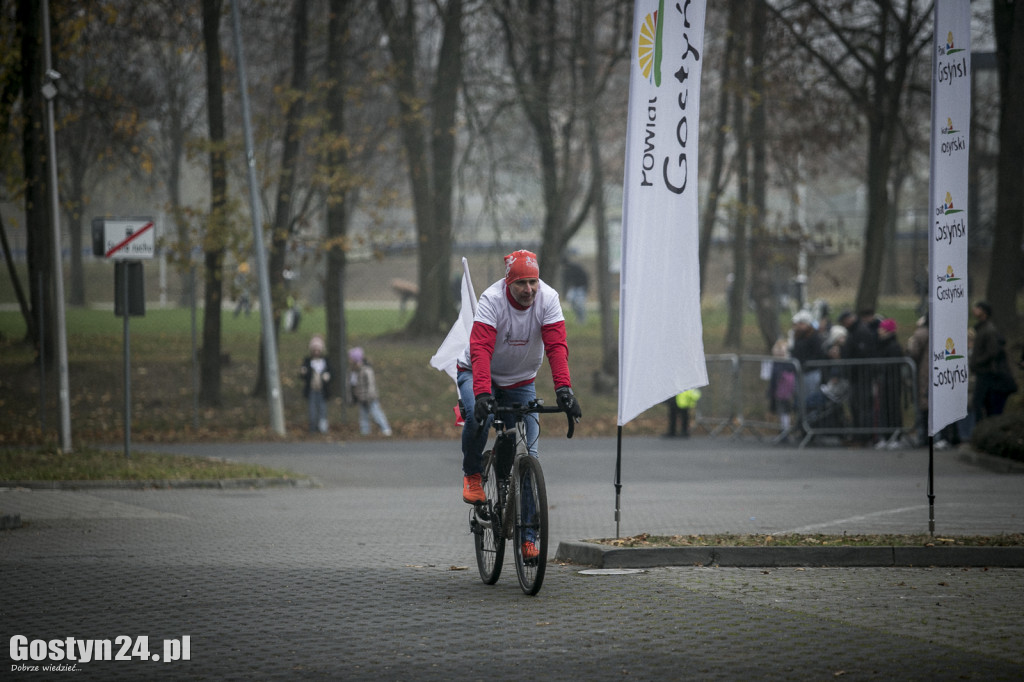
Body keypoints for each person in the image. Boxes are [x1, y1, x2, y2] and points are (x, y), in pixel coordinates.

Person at [456, 249, 582, 561]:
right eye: (521, 283)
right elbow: (481, 348)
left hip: (521, 380)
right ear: (508, 283)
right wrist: (484, 393)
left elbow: (556, 345)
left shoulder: (548, 299)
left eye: (533, 282)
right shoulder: (492, 300)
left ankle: (529, 539)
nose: (529, 289)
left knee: (531, 457)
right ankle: (473, 474)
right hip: (478, 373)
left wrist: (564, 389)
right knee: (478, 416)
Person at [969, 301, 1018, 421]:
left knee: (979, 402)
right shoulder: (981, 328)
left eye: (978, 308)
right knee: (984, 403)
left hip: (985, 372)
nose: (974, 310)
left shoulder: (988, 330)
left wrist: (978, 362)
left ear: (984, 312)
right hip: (983, 372)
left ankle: (982, 427)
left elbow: (992, 352)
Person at [348, 347, 392, 436]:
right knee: (363, 415)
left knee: (376, 413)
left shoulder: (366, 370)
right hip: (361, 398)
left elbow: (371, 384)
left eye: (351, 359)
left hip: (370, 398)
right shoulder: (353, 372)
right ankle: (365, 431)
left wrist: (370, 396)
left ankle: (386, 429)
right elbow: (351, 385)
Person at [300, 335, 332, 433]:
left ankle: (323, 429)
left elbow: (331, 372)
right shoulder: (308, 361)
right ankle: (313, 428)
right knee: (312, 410)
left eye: (318, 350)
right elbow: (303, 375)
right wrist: (303, 372)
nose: (316, 352)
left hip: (322, 390)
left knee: (323, 410)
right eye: (314, 350)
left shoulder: (325, 361)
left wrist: (328, 376)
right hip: (312, 390)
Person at [561, 257, 590, 323]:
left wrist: (586, 288)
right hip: (573, 288)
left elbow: (585, 277)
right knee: (570, 300)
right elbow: (565, 282)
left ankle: (582, 319)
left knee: (580, 304)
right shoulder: (565, 271)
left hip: (581, 287)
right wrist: (564, 293)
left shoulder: (576, 268)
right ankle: (578, 316)